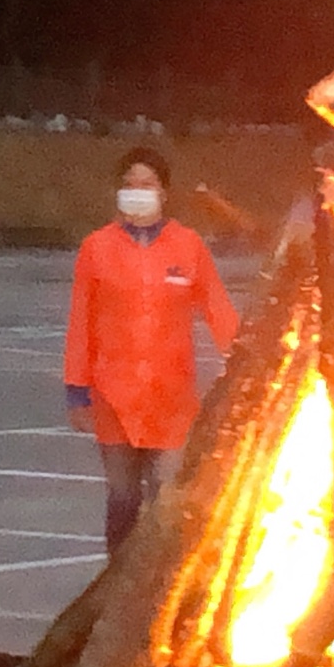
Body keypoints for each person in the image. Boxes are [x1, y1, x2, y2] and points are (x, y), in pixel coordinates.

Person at [64, 147, 239, 551]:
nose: (137, 192)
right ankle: (117, 591)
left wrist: (245, 359)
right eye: (130, 185)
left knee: (167, 501)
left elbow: (218, 309)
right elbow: (81, 324)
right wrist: (77, 390)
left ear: (164, 192)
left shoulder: (188, 246)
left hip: (172, 400)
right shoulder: (97, 248)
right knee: (123, 498)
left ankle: (159, 597)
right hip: (113, 399)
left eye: (147, 184)